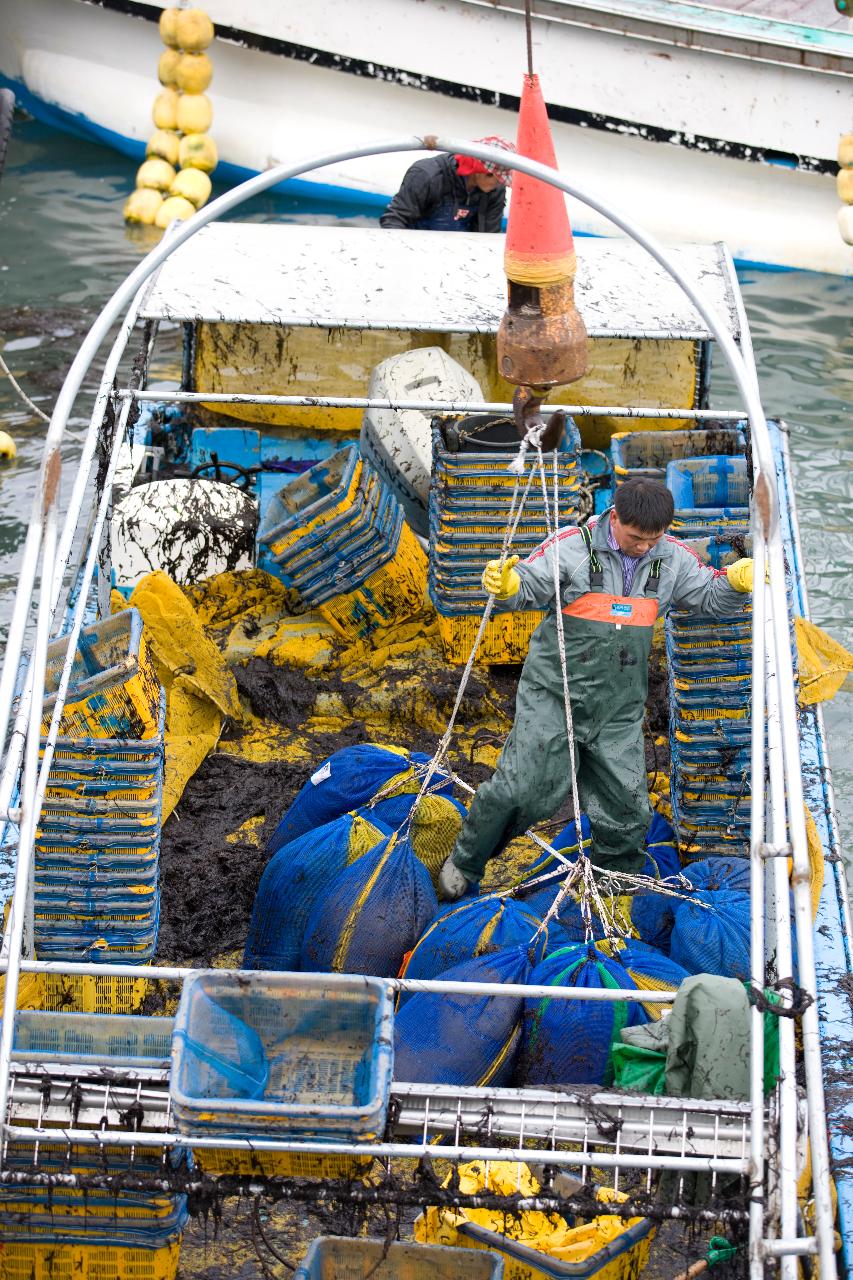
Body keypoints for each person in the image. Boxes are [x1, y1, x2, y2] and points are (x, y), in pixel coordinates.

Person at [438, 477, 756, 900]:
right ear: (615, 516)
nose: (645, 547)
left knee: (627, 810)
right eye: (636, 538)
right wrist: (509, 586)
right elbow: (529, 584)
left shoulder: (672, 558)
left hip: (619, 711)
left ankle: (614, 891)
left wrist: (735, 583)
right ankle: (464, 863)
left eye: (654, 539)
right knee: (522, 791)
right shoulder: (570, 546)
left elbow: (710, 598)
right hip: (554, 696)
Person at [379, 137, 516, 233]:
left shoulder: (494, 191)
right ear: (481, 172)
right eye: (499, 180)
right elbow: (394, 220)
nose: (501, 185)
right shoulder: (427, 175)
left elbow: (488, 236)